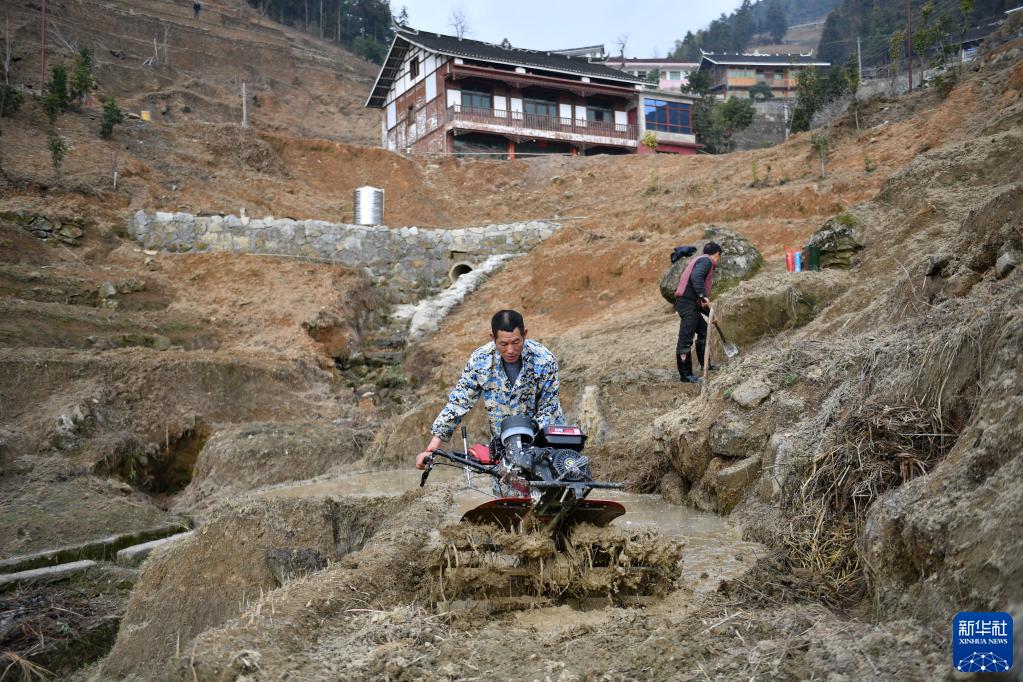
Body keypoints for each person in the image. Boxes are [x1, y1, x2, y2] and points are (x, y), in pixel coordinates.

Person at [416, 310, 565, 469]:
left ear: (525, 334)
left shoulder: (544, 360)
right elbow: (459, 402)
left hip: (544, 445)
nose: (510, 350)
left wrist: (524, 445)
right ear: (493, 337)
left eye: (516, 342)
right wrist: (433, 447)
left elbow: (548, 408)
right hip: (504, 449)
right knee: (507, 484)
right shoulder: (481, 360)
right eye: (503, 344)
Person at [674, 242, 722, 383]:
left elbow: (701, 303)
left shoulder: (701, 261)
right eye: (720, 257)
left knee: (704, 331)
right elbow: (696, 277)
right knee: (685, 339)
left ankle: (706, 365)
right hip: (687, 303)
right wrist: (702, 295)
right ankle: (686, 376)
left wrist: (711, 315)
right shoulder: (706, 261)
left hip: (690, 304)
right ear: (717, 254)